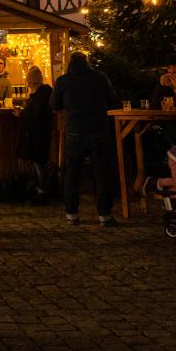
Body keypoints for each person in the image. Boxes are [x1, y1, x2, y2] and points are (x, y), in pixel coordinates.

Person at [50, 52, 121, 227]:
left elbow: (54, 105)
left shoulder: (63, 81)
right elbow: (113, 101)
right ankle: (104, 214)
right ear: (87, 63)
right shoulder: (99, 78)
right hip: (98, 131)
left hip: (75, 132)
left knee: (72, 174)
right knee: (102, 173)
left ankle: (72, 213)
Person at [15, 66, 53, 203]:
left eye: (29, 83)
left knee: (39, 163)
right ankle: (39, 190)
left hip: (37, 135)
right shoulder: (46, 94)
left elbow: (35, 115)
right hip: (41, 134)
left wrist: (22, 114)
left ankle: (42, 191)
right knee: (38, 163)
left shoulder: (39, 97)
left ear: (34, 83)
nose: (28, 86)